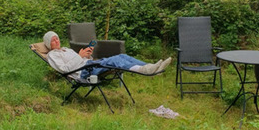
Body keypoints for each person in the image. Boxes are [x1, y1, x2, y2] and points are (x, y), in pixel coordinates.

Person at [42, 31, 172, 84]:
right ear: (48, 44)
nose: (57, 41)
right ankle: (147, 70)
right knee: (116, 61)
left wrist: (86, 55)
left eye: (57, 38)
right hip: (83, 72)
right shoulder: (52, 56)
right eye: (53, 40)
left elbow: (79, 59)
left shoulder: (66, 49)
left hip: (89, 64)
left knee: (122, 55)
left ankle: (150, 67)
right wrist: (79, 56)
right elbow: (65, 69)